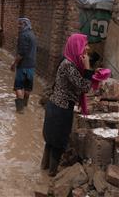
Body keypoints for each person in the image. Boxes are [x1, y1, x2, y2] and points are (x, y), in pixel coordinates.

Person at [41, 33, 95, 177]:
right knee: (58, 143)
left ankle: (43, 171)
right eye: (85, 45)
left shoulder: (67, 62)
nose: (87, 48)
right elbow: (85, 87)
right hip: (61, 110)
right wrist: (88, 67)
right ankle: (51, 177)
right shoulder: (69, 66)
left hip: (54, 106)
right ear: (77, 47)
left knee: (51, 141)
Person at [10, 17, 37, 113]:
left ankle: (20, 109)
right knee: (28, 87)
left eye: (20, 24)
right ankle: (25, 104)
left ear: (25, 24)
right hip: (31, 66)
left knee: (18, 87)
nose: (18, 26)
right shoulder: (32, 35)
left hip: (23, 66)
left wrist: (14, 63)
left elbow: (21, 53)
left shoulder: (23, 35)